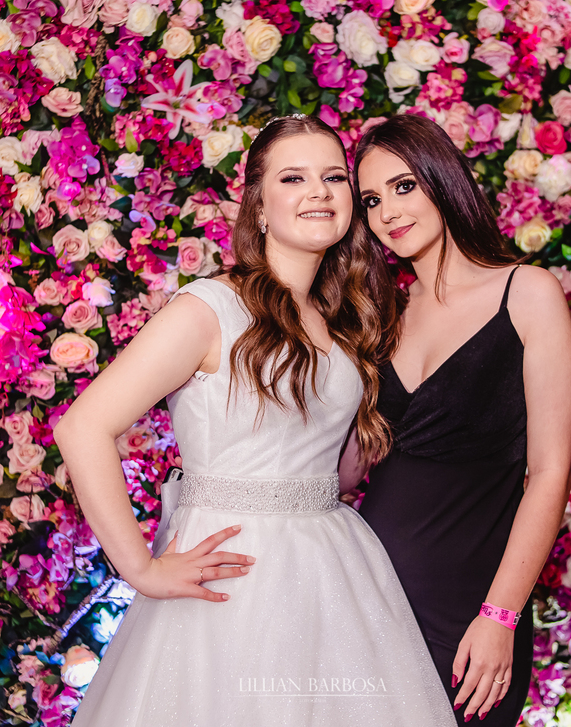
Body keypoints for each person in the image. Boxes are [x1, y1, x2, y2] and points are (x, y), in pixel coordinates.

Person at [58, 115, 456, 726]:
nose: (319, 192)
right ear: (260, 206)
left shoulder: (344, 323)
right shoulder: (209, 308)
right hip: (234, 572)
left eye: (334, 178)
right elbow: (82, 427)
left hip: (332, 569)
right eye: (293, 178)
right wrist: (140, 568)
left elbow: (334, 468)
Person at [343, 114, 571, 725]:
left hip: (470, 616)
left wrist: (500, 616)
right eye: (371, 200)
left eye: (403, 186)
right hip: (366, 599)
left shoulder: (526, 293)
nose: (388, 212)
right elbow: (347, 473)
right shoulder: (384, 317)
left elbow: (549, 474)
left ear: (441, 179)